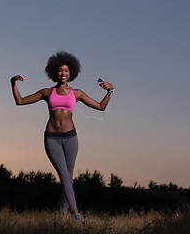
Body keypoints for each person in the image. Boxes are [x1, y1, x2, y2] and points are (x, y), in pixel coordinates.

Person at [10, 51, 114, 221]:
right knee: (64, 176)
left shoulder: (77, 93)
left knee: (68, 178)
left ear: (71, 72)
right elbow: (20, 101)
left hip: (71, 138)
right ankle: (76, 213)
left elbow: (101, 107)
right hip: (52, 138)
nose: (63, 73)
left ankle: (62, 217)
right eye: (60, 70)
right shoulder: (47, 92)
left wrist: (111, 91)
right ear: (54, 73)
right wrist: (13, 83)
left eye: (66, 70)